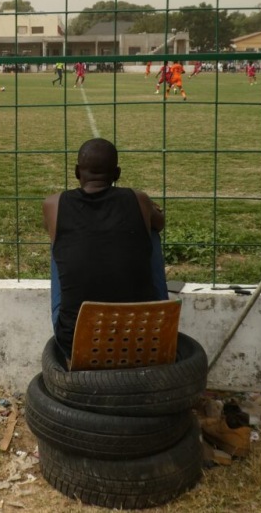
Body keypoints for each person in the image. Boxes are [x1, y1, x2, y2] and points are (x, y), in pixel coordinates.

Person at [43, 138, 165, 359]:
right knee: (152, 232)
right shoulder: (139, 199)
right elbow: (161, 222)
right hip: (144, 334)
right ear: (117, 174)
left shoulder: (53, 204)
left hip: (76, 340)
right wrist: (151, 211)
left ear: (76, 172)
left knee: (59, 240)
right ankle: (158, 310)